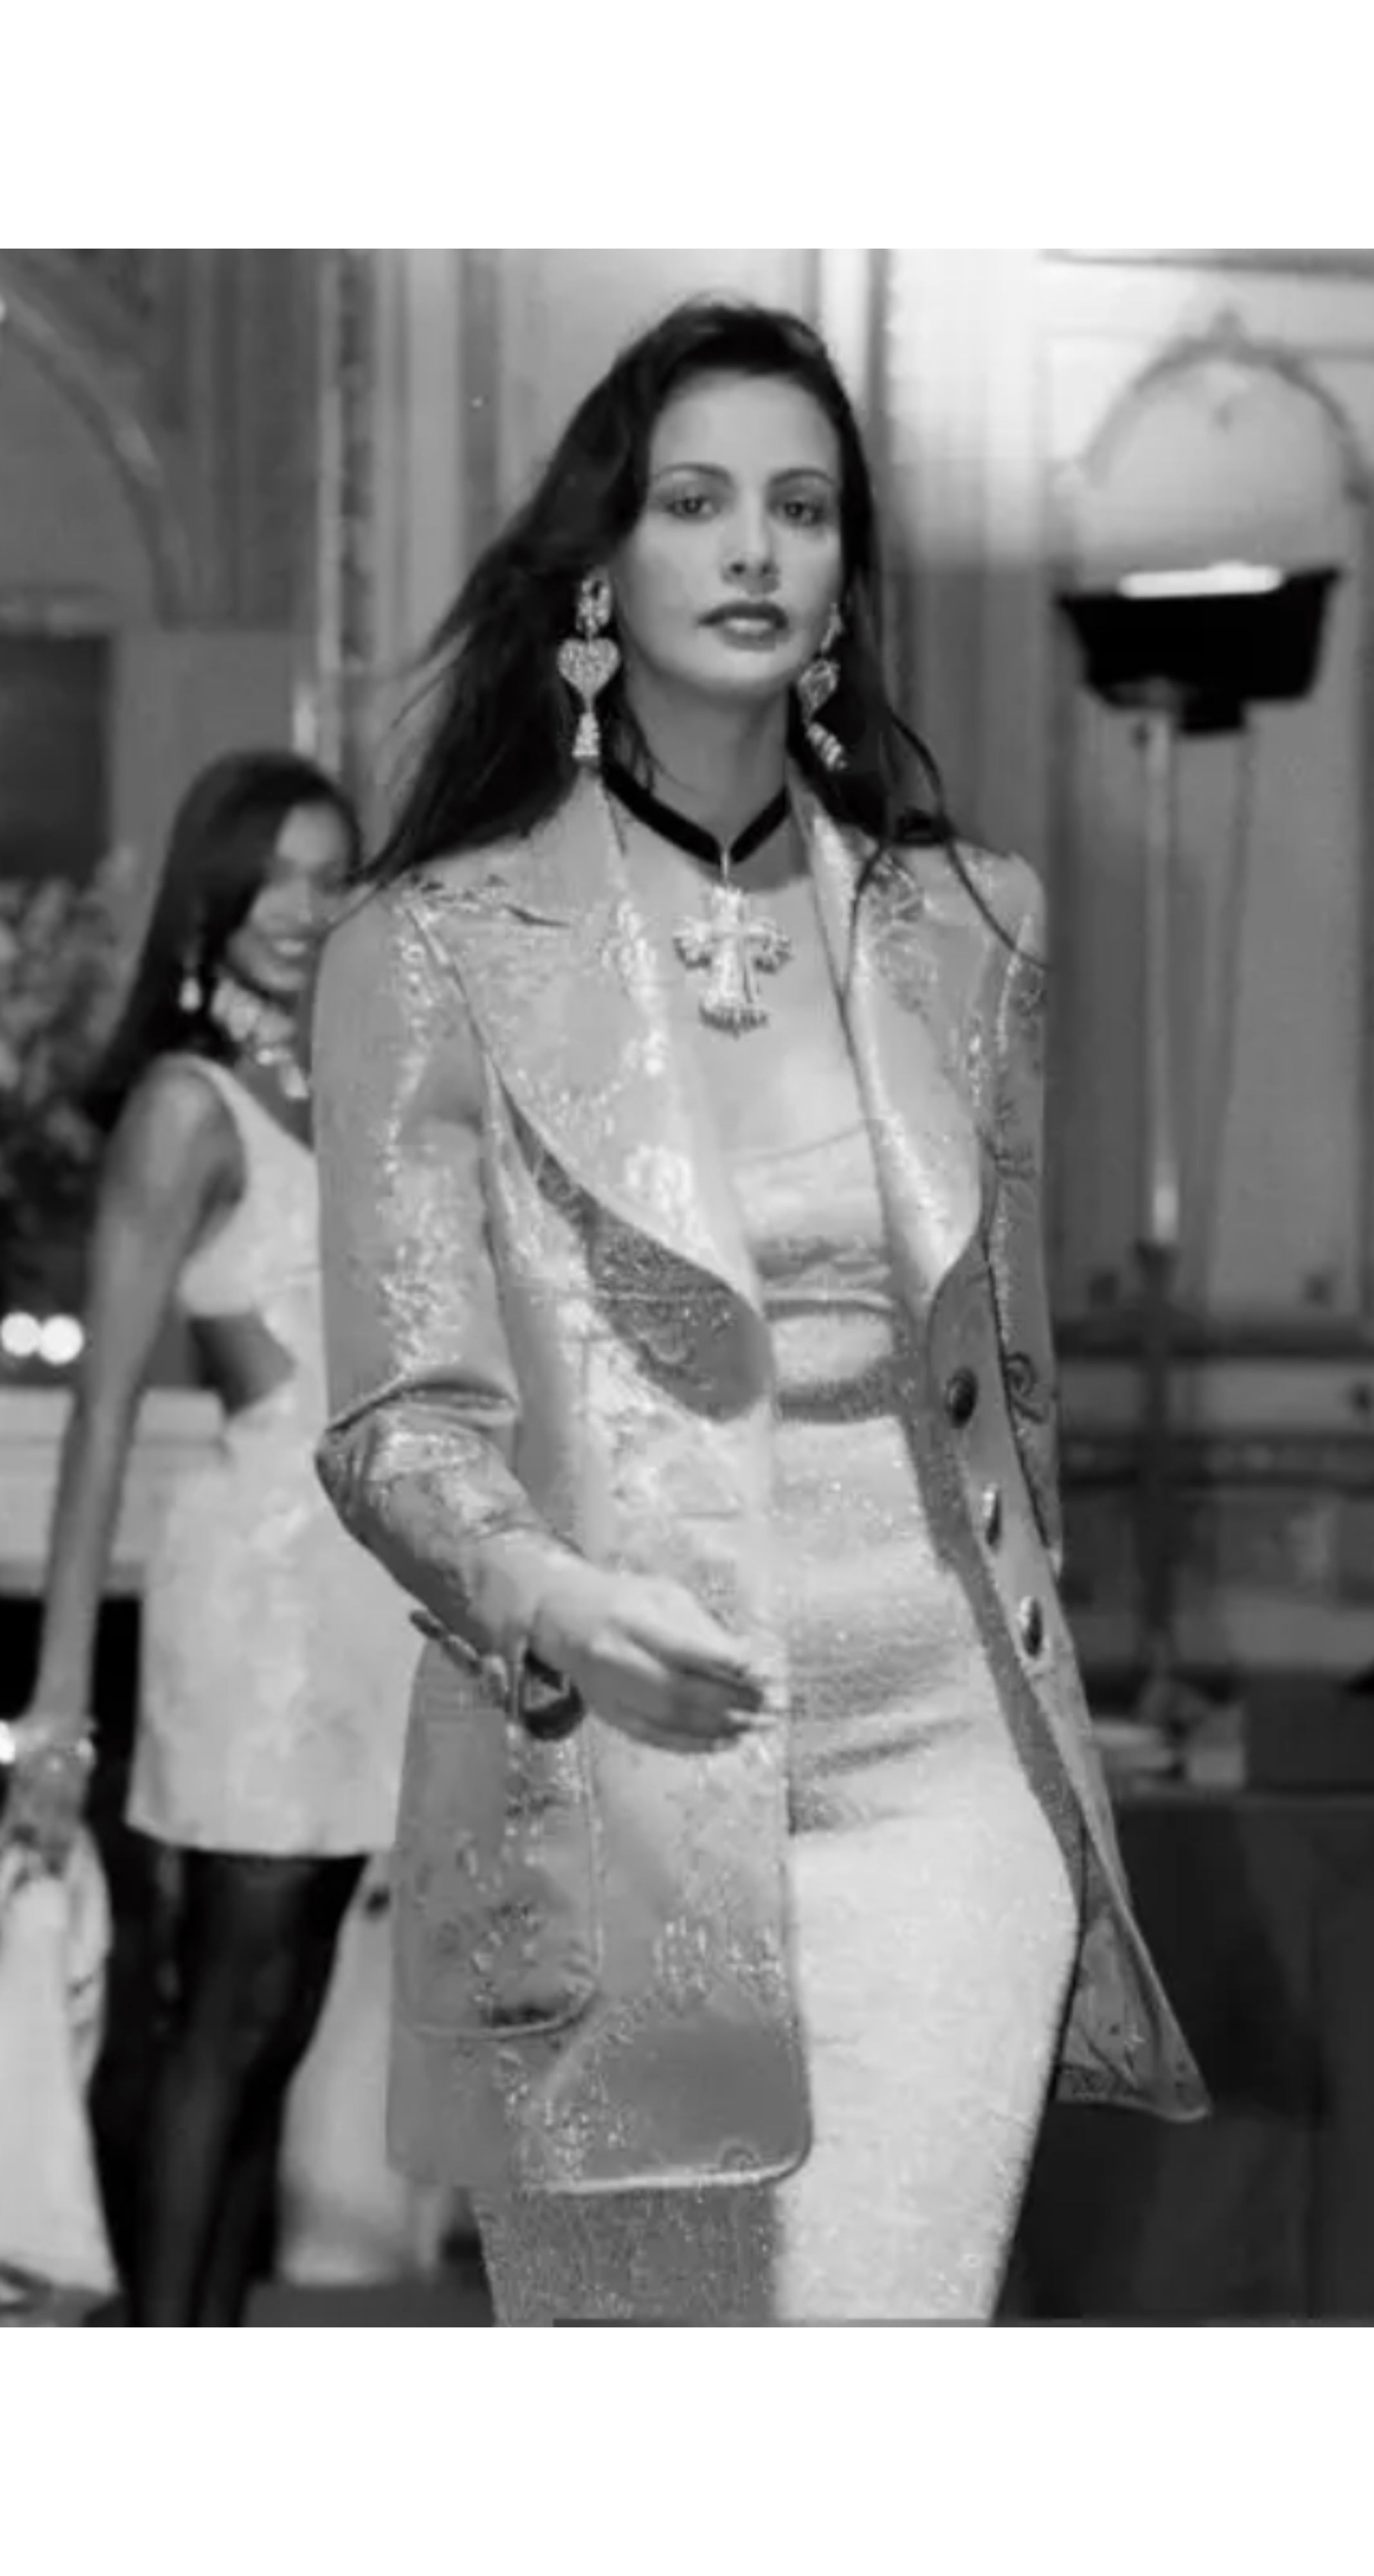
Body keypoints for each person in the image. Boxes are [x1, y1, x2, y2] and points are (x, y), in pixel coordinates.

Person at [312, 299, 1207, 2327]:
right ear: (599, 566)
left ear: (838, 580)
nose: (750, 549)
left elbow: (1010, 1386)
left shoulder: (966, 928)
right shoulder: (433, 945)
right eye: (694, 502)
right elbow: (395, 1424)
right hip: (608, 1788)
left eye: (800, 510)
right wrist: (545, 1594)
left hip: (943, 1789)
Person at [3, 752, 414, 2325]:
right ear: (213, 888)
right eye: (276, 874)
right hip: (254, 1593)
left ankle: (210, 2369)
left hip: (364, 1596)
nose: (304, 905)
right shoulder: (186, 1107)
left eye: (331, 872)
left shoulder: (349, 1087)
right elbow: (102, 1414)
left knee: (286, 2018)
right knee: (224, 2018)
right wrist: (57, 1704)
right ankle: (160, 2380)